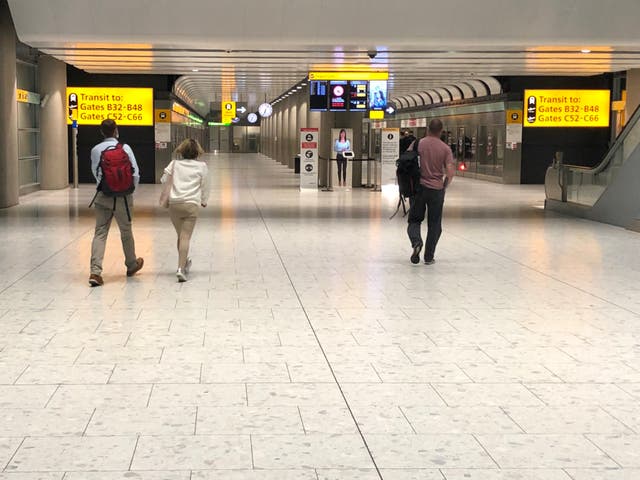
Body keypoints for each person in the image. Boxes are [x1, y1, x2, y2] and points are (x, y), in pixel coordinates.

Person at [88, 119, 143, 287]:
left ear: (101, 132)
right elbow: (135, 173)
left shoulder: (96, 149)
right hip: (123, 198)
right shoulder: (125, 148)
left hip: (103, 195)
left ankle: (95, 272)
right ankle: (131, 264)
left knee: (100, 232)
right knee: (126, 231)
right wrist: (129, 190)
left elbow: (95, 172)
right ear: (116, 130)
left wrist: (105, 186)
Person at [407, 118, 455, 265]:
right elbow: (450, 172)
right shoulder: (445, 148)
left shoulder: (417, 143)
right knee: (435, 224)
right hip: (436, 189)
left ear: (428, 129)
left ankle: (416, 242)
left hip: (418, 188)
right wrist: (444, 185)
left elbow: (407, 160)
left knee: (414, 220)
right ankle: (429, 256)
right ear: (441, 131)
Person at [161, 138, 210, 282]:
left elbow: (163, 180)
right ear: (197, 152)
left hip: (175, 204)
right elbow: (206, 185)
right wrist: (204, 200)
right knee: (185, 237)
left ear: (181, 151)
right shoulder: (202, 166)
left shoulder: (174, 164)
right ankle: (181, 269)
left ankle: (184, 263)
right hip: (191, 205)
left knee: (181, 236)